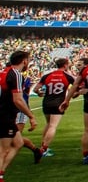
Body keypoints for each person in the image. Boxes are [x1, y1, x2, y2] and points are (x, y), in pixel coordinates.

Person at [0, 51, 38, 180]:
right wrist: (31, 116)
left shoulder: (3, 72)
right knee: (4, 150)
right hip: (5, 115)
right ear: (24, 61)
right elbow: (18, 100)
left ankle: (2, 172)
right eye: (29, 60)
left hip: (5, 114)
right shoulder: (16, 74)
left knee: (18, 143)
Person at [32, 58, 74, 158]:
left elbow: (35, 89)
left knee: (48, 124)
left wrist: (39, 93)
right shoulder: (67, 76)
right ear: (65, 65)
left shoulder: (47, 75)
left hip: (46, 102)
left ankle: (43, 145)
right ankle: (44, 149)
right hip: (58, 103)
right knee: (53, 126)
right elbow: (78, 84)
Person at [12, 70, 42, 164]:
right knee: (12, 137)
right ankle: (36, 150)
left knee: (14, 137)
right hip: (10, 110)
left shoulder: (20, 79)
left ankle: (36, 150)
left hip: (20, 110)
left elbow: (24, 95)